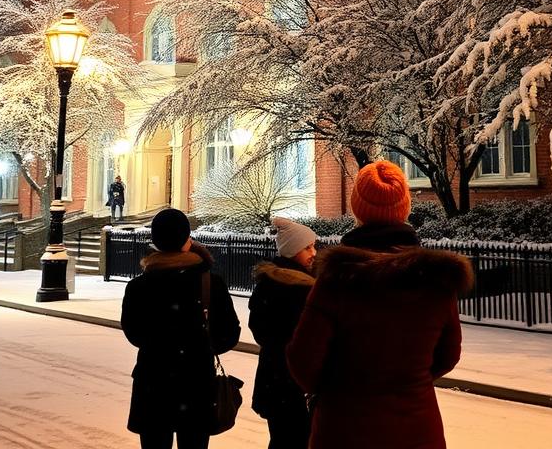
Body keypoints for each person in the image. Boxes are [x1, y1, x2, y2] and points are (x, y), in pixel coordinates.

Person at [287, 161, 473, 449]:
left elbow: (303, 360)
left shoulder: (338, 279)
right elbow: (448, 354)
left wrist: (338, 390)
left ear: (358, 209)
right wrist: (409, 381)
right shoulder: (435, 280)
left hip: (345, 430)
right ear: (405, 207)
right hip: (417, 430)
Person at [121, 207, 241, 449]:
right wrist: (200, 346)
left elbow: (134, 333)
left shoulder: (139, 287)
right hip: (196, 383)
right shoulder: (210, 283)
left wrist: (162, 345)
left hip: (153, 384)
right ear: (187, 241)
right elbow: (229, 333)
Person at [248, 217, 318, 449]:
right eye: (307, 247)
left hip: (275, 381)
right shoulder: (301, 288)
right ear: (292, 250)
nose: (314, 252)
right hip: (294, 382)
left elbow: (260, 331)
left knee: (281, 438)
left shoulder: (268, 285)